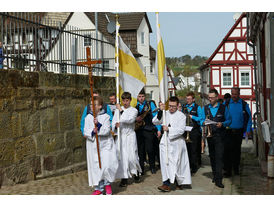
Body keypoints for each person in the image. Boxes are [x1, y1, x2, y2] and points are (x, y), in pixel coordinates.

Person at [153, 96, 192, 192]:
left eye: (173, 106)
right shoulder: (165, 113)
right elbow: (155, 121)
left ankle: (178, 182)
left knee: (177, 164)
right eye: (169, 106)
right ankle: (166, 183)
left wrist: (169, 129)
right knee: (165, 162)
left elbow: (181, 130)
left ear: (178, 105)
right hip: (165, 142)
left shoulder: (181, 116)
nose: (171, 108)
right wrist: (160, 111)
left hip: (177, 143)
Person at [83, 96, 118, 195]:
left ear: (100, 106)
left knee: (106, 166)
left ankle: (107, 184)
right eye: (91, 105)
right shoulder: (88, 117)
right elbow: (86, 131)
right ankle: (99, 187)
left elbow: (106, 130)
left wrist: (98, 125)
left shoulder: (106, 116)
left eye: (94, 105)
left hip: (105, 145)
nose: (92, 107)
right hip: (93, 145)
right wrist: (92, 132)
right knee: (96, 167)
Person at [201, 88, 231, 188]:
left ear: (217, 97)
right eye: (209, 98)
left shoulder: (223, 107)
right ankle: (215, 175)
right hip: (210, 136)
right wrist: (203, 122)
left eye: (212, 98)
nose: (210, 99)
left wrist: (222, 124)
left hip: (220, 136)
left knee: (219, 157)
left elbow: (229, 120)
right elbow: (201, 119)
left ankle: (219, 179)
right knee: (212, 157)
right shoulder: (205, 108)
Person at [112, 92, 142, 187]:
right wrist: (115, 127)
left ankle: (136, 172)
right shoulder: (117, 111)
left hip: (130, 136)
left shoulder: (134, 110)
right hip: (122, 136)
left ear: (130, 100)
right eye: (123, 101)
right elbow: (114, 122)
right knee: (122, 157)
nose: (125, 103)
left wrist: (120, 110)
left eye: (127, 101)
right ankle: (124, 178)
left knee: (132, 156)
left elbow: (129, 120)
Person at [223, 87, 252, 177]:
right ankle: (228, 171)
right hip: (228, 131)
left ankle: (236, 169)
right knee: (227, 151)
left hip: (239, 132)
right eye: (232, 94)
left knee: (237, 151)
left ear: (239, 94)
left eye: (235, 94)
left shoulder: (243, 104)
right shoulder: (226, 103)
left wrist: (247, 130)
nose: (234, 96)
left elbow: (249, 118)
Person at [135, 89, 161, 175]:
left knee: (150, 149)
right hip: (138, 130)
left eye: (142, 96)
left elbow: (156, 117)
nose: (141, 98)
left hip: (149, 130)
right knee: (140, 151)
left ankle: (152, 166)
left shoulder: (150, 104)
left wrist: (159, 129)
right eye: (139, 96)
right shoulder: (135, 105)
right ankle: (141, 168)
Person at [181, 91, 203, 174]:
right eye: (187, 99)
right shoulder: (184, 107)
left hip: (194, 131)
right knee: (186, 149)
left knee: (194, 149)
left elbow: (201, 118)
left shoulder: (198, 108)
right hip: (185, 130)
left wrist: (192, 116)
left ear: (193, 99)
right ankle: (187, 165)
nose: (187, 100)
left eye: (189, 99)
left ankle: (194, 166)